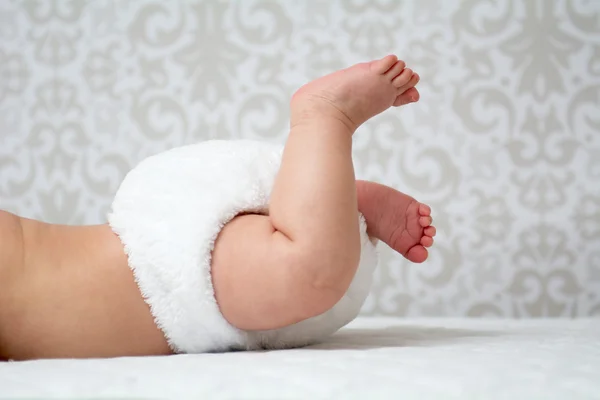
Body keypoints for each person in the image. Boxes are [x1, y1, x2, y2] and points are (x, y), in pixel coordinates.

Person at [0, 55, 435, 360]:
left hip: (162, 271)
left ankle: (325, 118)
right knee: (304, 260)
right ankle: (327, 197)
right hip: (154, 240)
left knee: (309, 271)